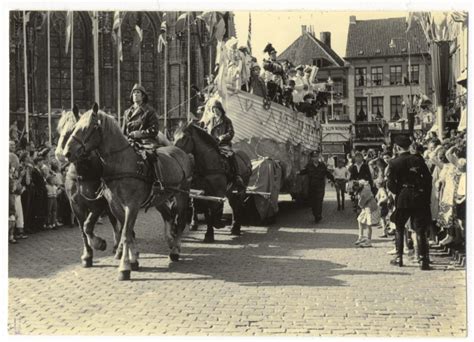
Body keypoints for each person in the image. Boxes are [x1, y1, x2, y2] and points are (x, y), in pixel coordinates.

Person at [386, 135, 432, 270]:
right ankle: (423, 260)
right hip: (419, 196)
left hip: (403, 196)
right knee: (420, 228)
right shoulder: (418, 159)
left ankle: (399, 257)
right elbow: (428, 179)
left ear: (397, 147)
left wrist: (399, 193)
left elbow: (390, 183)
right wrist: (425, 195)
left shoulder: (394, 162)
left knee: (399, 226)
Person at [122, 83, 164, 193]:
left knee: (150, 155)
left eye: (138, 92)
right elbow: (123, 131)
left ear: (143, 96)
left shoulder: (149, 111)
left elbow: (154, 130)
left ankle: (156, 181)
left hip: (145, 141)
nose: (135, 95)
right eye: (134, 93)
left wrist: (139, 134)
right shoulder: (127, 112)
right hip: (130, 141)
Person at [204, 100, 245, 190]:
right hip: (212, 144)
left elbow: (231, 132)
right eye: (213, 110)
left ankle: (237, 175)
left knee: (231, 155)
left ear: (220, 109)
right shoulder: (211, 120)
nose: (215, 112)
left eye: (217, 110)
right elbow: (205, 130)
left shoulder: (227, 121)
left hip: (223, 144)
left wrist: (223, 137)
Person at [299, 149, 335, 223]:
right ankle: (315, 214)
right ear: (312, 158)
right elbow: (304, 171)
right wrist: (298, 172)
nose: (315, 158)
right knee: (313, 202)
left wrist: (334, 181)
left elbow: (327, 173)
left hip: (320, 187)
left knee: (319, 201)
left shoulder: (322, 165)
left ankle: (318, 215)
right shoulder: (309, 166)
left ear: (318, 157)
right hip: (312, 187)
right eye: (314, 157)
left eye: (316, 156)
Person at [354, 180, 380, 248]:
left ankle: (369, 241)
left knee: (369, 224)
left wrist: (358, 198)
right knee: (360, 220)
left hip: (369, 207)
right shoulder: (366, 187)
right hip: (367, 206)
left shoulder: (363, 194)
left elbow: (360, 204)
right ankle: (361, 237)